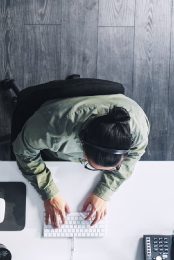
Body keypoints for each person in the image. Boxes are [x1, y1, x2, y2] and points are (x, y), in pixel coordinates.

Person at [12, 94, 150, 229]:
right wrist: (49, 193)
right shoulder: (49, 128)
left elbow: (134, 155)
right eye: (91, 165)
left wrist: (104, 191)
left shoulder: (138, 128)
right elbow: (24, 153)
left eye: (114, 167)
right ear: (82, 148)